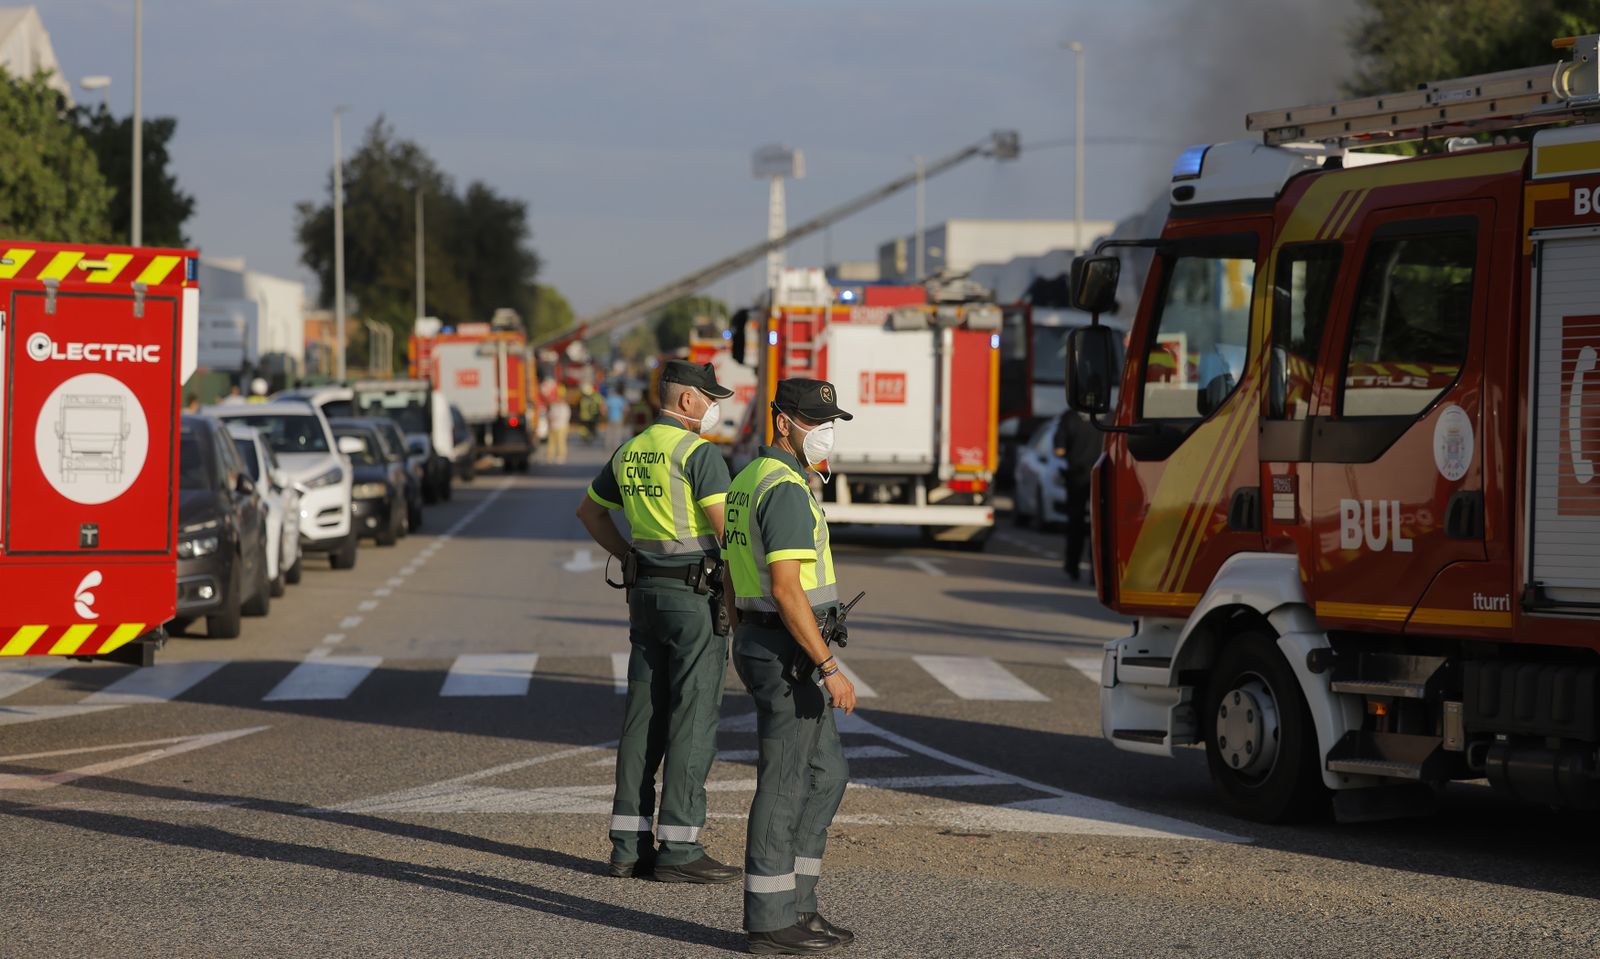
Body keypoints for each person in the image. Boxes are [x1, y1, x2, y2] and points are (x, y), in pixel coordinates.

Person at [575, 359, 739, 884]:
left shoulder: (631, 450)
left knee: (642, 718)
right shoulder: (699, 454)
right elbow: (729, 538)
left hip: (645, 595)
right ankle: (680, 847)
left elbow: (590, 512)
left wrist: (628, 556)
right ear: (687, 400)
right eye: (710, 398)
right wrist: (741, 603)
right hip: (694, 601)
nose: (715, 408)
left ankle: (627, 845)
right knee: (692, 719)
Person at [723, 378, 857, 955]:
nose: (825, 433)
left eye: (830, 423)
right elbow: (785, 588)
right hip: (791, 655)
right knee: (785, 782)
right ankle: (769, 921)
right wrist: (828, 665)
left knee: (827, 774)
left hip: (770, 644)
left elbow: (729, 571)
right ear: (783, 422)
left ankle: (798, 905)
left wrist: (739, 631)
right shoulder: (781, 489)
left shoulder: (749, 479)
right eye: (814, 421)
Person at [1053, 408, 1102, 582]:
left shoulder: (1070, 417)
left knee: (1075, 523)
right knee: (1100, 526)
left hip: (1077, 477)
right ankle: (1097, 572)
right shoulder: (1111, 415)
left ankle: (1072, 566)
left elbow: (1058, 450)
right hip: (1104, 477)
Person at [545, 381, 572, 464]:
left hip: (561, 426)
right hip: (553, 426)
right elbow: (549, 415)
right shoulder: (554, 406)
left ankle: (561, 456)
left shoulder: (564, 407)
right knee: (551, 442)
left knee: (561, 442)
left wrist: (556, 419)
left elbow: (565, 416)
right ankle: (550, 456)